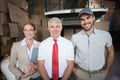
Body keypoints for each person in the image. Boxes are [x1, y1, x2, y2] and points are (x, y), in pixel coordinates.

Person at [71, 8, 114, 80]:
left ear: (93, 18)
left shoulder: (105, 35)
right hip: (80, 73)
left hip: (99, 74)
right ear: (80, 21)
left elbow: (111, 52)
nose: (85, 22)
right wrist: (73, 69)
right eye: (82, 19)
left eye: (88, 18)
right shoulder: (75, 37)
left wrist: (107, 70)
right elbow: (69, 54)